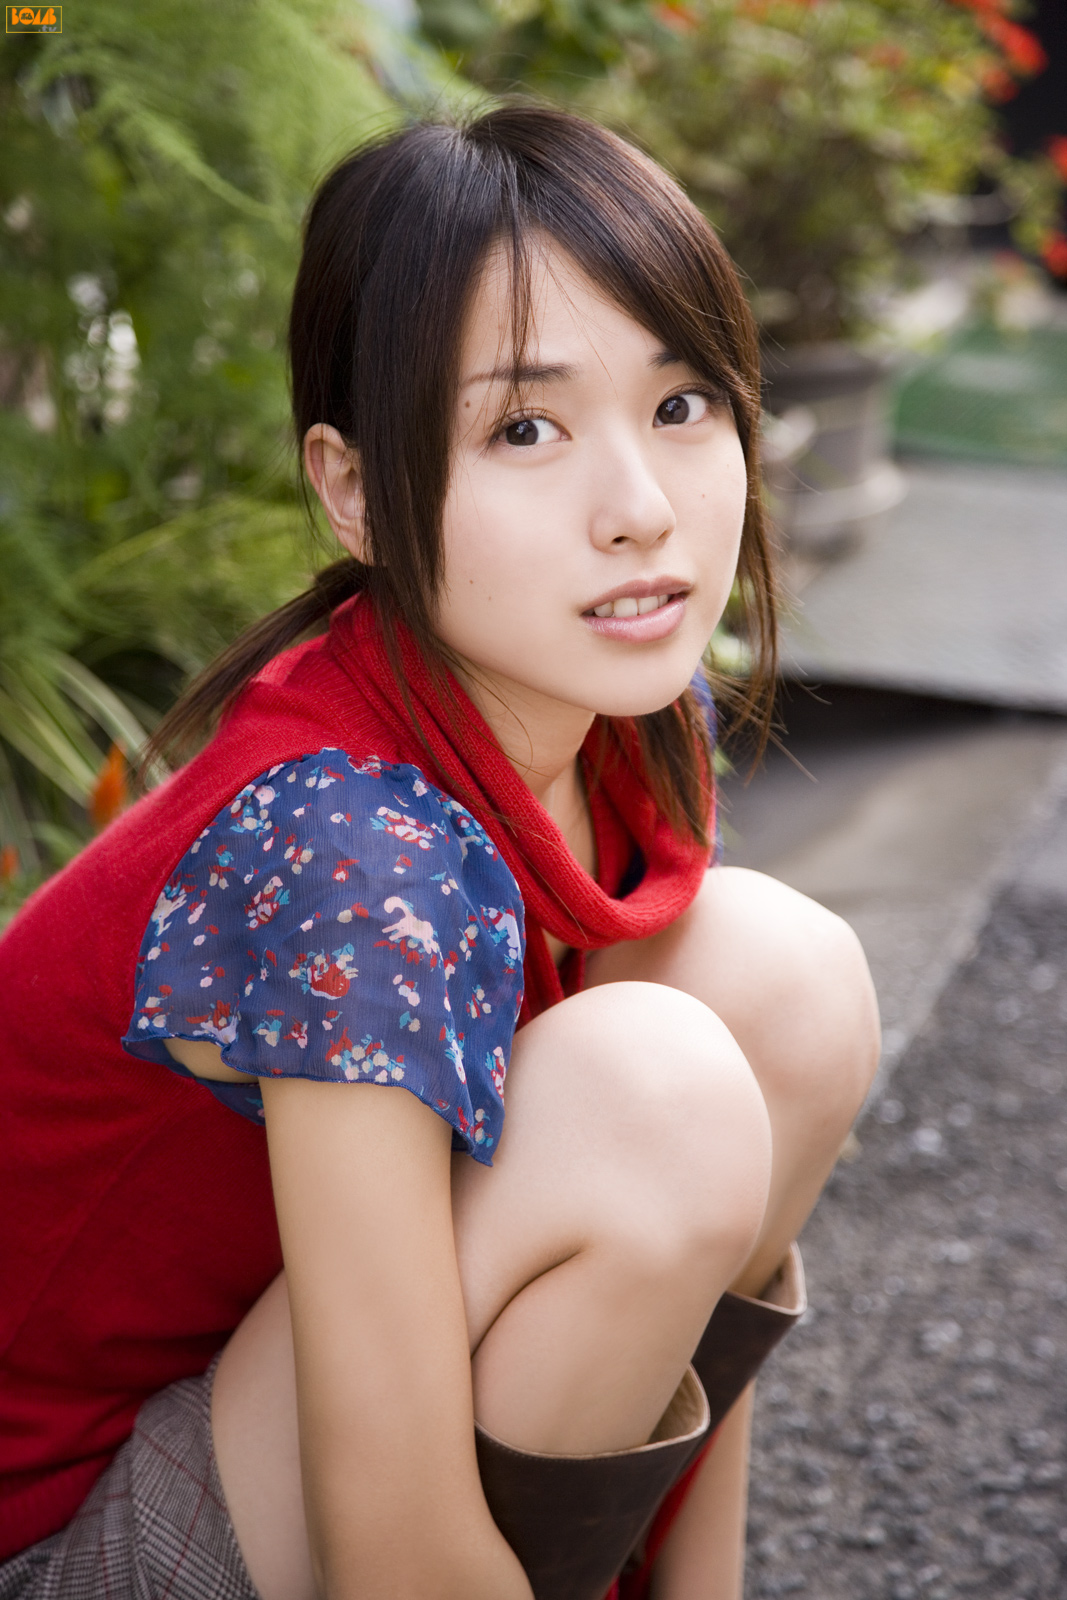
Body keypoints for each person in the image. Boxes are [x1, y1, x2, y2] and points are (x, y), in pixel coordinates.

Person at [0, 105, 879, 1600]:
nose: (643, 511)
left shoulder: (613, 712)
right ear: (352, 490)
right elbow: (390, 1544)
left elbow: (694, 1318)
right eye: (524, 429)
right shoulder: (350, 841)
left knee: (784, 981)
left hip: (250, 1407)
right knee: (648, 1100)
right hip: (59, 1533)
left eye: (681, 403)